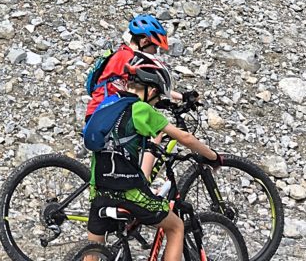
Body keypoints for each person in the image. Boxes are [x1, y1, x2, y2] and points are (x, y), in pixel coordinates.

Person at [84, 54, 221, 261]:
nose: (156, 103)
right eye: (157, 98)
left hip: (98, 189)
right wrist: (213, 157)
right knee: (176, 227)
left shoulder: (107, 104)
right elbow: (184, 137)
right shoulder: (141, 109)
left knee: (93, 249)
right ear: (153, 90)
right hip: (128, 192)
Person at [85, 14, 179, 119]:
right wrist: (182, 97)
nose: (156, 51)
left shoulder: (122, 53)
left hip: (101, 111)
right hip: (102, 115)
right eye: (155, 46)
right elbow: (157, 84)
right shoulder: (128, 58)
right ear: (145, 42)